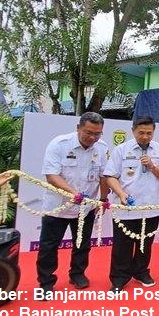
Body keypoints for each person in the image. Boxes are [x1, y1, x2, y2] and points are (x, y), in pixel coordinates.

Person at [36, 112, 109, 293]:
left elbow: (103, 176)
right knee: (49, 246)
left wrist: (103, 199)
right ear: (78, 128)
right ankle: (46, 281)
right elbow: (51, 175)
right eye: (88, 132)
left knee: (82, 244)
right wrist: (74, 194)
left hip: (86, 208)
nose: (92, 137)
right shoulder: (59, 144)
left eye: (97, 133)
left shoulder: (101, 148)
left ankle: (77, 274)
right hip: (58, 206)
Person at [104, 116, 159, 292]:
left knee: (146, 244)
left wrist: (152, 166)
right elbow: (110, 176)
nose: (145, 136)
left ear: (154, 132)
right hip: (126, 206)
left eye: (149, 133)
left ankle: (141, 271)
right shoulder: (121, 150)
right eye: (141, 133)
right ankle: (119, 278)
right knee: (122, 245)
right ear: (133, 130)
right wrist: (120, 193)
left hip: (151, 207)